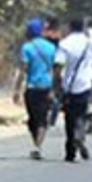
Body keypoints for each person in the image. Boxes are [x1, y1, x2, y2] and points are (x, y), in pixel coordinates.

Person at [54, 18, 92, 163]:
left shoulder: (65, 44)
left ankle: (70, 150)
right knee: (81, 114)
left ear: (70, 26)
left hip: (69, 86)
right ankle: (80, 136)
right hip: (85, 83)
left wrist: (57, 85)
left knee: (69, 118)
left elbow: (58, 65)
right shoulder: (90, 43)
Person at [13, 18, 57, 160]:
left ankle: (37, 146)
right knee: (42, 119)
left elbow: (23, 69)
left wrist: (17, 89)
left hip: (32, 87)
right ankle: (38, 145)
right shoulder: (51, 48)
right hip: (47, 86)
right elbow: (55, 70)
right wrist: (55, 89)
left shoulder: (27, 48)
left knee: (33, 118)